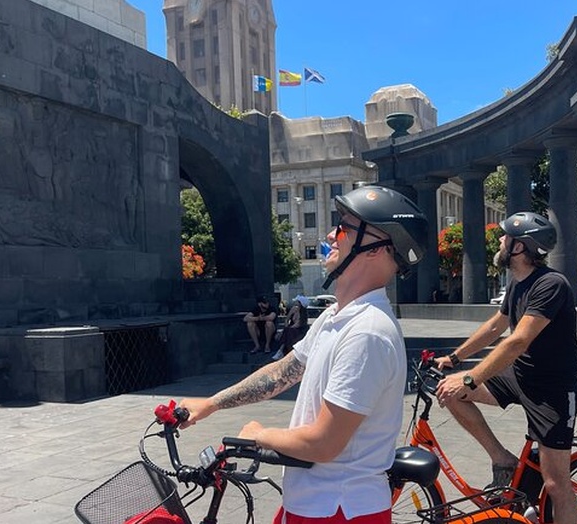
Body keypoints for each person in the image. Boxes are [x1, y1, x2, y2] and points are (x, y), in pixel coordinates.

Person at [177, 185, 428, 524]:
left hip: (340, 509)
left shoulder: (368, 332)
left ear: (376, 248)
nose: (331, 234)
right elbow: (284, 372)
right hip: (313, 502)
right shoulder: (336, 316)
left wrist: (259, 434)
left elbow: (324, 444)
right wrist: (210, 404)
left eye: (344, 227)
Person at [434, 211, 577, 524]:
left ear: (520, 247)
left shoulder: (551, 284)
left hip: (552, 391)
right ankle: (502, 459)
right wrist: (455, 360)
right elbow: (494, 327)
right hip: (520, 378)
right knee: (450, 392)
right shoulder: (518, 284)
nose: (500, 241)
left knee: (556, 483)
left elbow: (517, 341)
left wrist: (473, 378)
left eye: (506, 237)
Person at [272, 295, 310, 360]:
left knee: (290, 332)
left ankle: (281, 350)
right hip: (291, 328)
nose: (295, 303)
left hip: (299, 330)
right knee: (288, 331)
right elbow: (287, 319)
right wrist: (286, 326)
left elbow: (298, 324)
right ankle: (281, 350)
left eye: (297, 302)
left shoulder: (303, 314)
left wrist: (288, 329)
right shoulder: (294, 309)